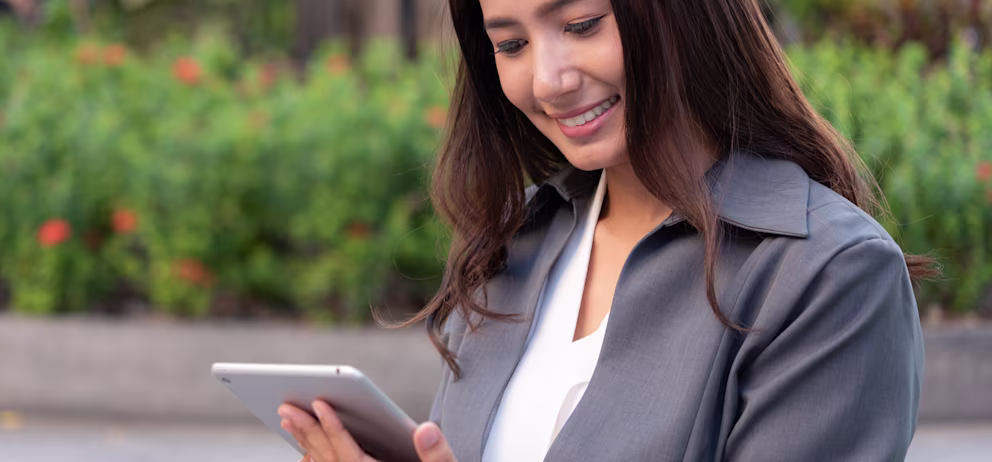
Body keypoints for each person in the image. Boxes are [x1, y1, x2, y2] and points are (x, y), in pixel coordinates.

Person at [278, 0, 934, 460]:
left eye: (583, 23)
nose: (549, 78)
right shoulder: (516, 244)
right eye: (510, 44)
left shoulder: (829, 275)